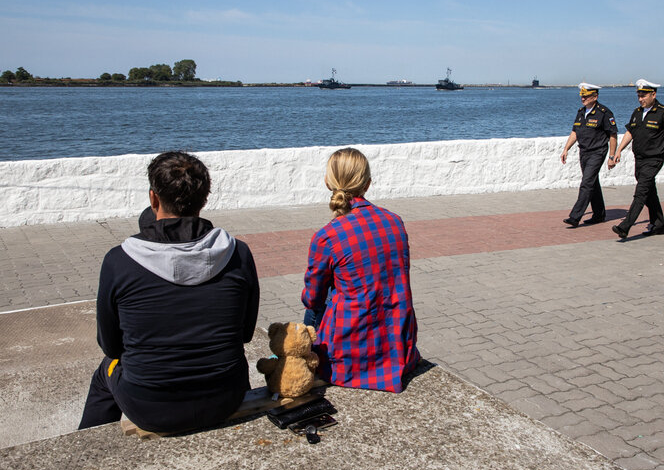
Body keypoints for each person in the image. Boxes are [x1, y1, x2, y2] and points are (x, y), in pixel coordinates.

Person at [78, 151, 260, 432]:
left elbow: (112, 347)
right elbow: (245, 334)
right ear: (204, 199)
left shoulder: (119, 261)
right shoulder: (239, 253)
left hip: (149, 407)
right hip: (226, 396)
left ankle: (86, 450)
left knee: (106, 370)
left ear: (153, 198)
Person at [301, 147, 420, 393]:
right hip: (398, 350)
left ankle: (305, 356)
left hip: (349, 359)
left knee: (315, 306)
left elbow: (313, 297)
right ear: (367, 184)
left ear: (327, 182)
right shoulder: (395, 221)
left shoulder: (327, 236)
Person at [610, 79, 664, 238]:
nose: (641, 99)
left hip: (654, 159)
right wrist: (619, 150)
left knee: (641, 192)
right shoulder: (637, 112)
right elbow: (630, 132)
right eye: (639, 96)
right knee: (649, 192)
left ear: (653, 94)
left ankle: (624, 227)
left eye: (644, 96)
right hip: (639, 158)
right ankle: (659, 225)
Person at [560, 82, 618, 226]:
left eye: (586, 96)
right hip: (584, 151)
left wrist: (612, 156)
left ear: (595, 96)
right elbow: (575, 131)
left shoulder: (604, 113)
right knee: (592, 182)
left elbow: (613, 135)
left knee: (586, 183)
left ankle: (575, 216)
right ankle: (599, 214)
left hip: (597, 152)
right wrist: (566, 148)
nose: (583, 99)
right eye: (582, 96)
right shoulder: (581, 112)